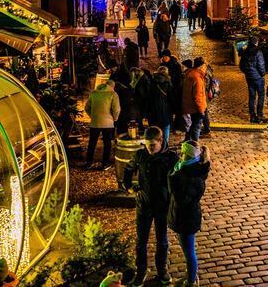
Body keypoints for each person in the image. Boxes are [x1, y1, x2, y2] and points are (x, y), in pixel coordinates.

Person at [124, 127, 179, 287]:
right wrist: (129, 187)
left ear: (161, 141)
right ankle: (141, 272)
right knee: (141, 241)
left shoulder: (171, 157)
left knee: (162, 240)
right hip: (144, 204)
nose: (149, 149)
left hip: (162, 205)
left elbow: (179, 178)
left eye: (152, 145)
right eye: (147, 145)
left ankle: (162, 271)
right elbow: (128, 169)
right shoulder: (141, 155)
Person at [168, 140, 211, 287]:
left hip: (187, 218)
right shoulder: (186, 169)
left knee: (189, 252)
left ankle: (191, 281)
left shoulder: (191, 176)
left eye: (183, 153)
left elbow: (180, 198)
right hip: (183, 216)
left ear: (189, 156)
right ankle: (190, 276)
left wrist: (173, 178)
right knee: (187, 249)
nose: (180, 155)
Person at [84, 80, 121, 169]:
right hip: (108, 123)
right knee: (107, 143)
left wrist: (93, 116)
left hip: (95, 123)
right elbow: (116, 109)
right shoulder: (113, 94)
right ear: (112, 86)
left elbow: (87, 108)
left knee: (92, 143)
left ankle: (89, 163)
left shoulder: (94, 93)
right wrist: (115, 119)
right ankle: (105, 164)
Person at [239, 36, 266, 123]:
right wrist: (262, 74)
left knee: (252, 96)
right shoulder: (258, 52)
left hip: (249, 77)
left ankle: (252, 116)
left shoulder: (245, 52)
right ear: (255, 42)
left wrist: (247, 73)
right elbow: (261, 65)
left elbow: (241, 66)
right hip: (258, 78)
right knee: (261, 95)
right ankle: (260, 115)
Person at [147, 66, 174, 148]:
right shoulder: (168, 83)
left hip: (153, 110)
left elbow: (148, 97)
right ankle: (165, 146)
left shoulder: (152, 82)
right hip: (165, 109)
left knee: (155, 129)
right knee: (165, 126)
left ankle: (155, 147)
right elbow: (172, 97)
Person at [182, 59, 207, 142]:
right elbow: (198, 96)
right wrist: (201, 110)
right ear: (200, 67)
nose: (205, 68)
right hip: (195, 108)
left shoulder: (190, 74)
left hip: (189, 106)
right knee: (196, 128)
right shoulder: (197, 78)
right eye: (204, 66)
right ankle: (194, 145)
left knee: (191, 126)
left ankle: (187, 141)